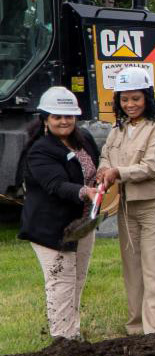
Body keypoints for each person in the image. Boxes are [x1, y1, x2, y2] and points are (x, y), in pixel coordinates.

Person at [97, 67, 155, 335]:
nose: (130, 104)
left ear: (147, 97)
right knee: (132, 272)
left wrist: (119, 173)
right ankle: (135, 330)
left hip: (154, 207)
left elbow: (154, 165)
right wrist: (104, 171)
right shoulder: (118, 129)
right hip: (126, 208)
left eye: (136, 98)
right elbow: (106, 156)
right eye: (124, 99)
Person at [18, 86, 101, 340]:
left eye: (69, 116)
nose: (64, 121)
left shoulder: (84, 138)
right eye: (57, 116)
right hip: (51, 228)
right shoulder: (40, 150)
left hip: (82, 224)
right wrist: (85, 192)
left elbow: (95, 167)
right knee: (61, 283)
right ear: (45, 119)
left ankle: (72, 334)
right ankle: (63, 342)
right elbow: (56, 185)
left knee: (76, 281)